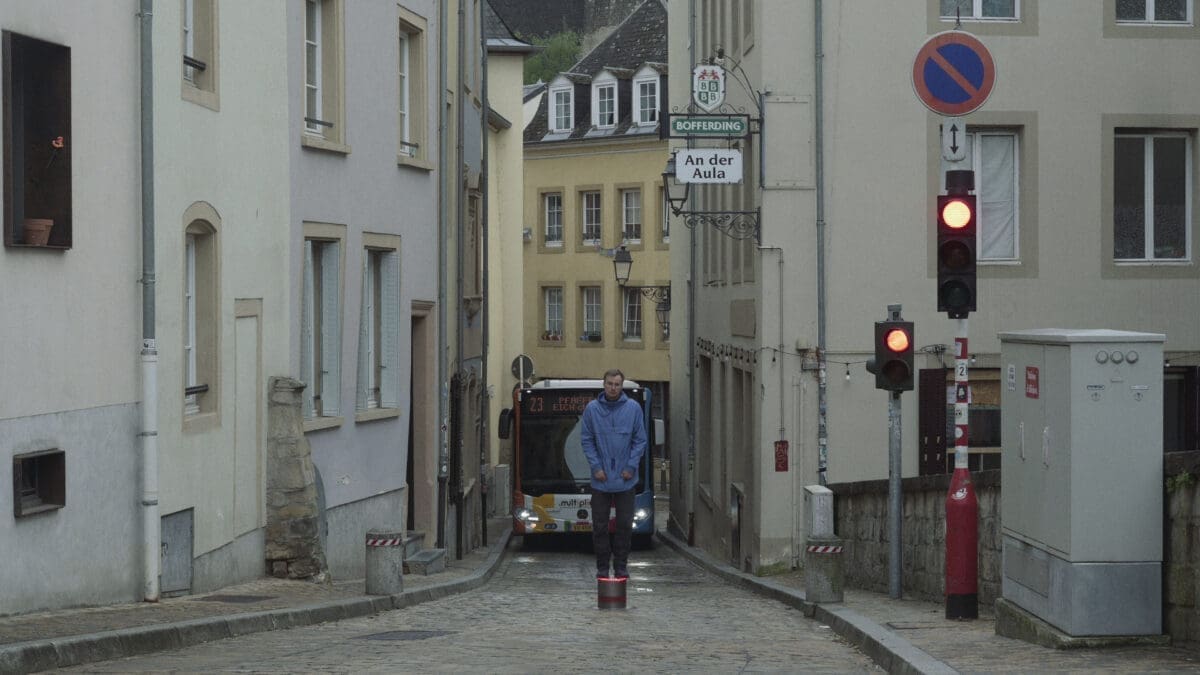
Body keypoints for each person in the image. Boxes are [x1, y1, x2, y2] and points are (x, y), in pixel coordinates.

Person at [581, 369, 647, 579]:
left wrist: (631, 466)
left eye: (617, 384)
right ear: (604, 384)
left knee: (625, 525)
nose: (613, 388)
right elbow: (586, 440)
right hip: (600, 480)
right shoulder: (592, 409)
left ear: (621, 386)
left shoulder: (633, 408)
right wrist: (596, 467)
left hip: (626, 480)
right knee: (600, 526)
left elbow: (640, 440)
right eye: (610, 384)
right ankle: (602, 566)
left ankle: (621, 566)